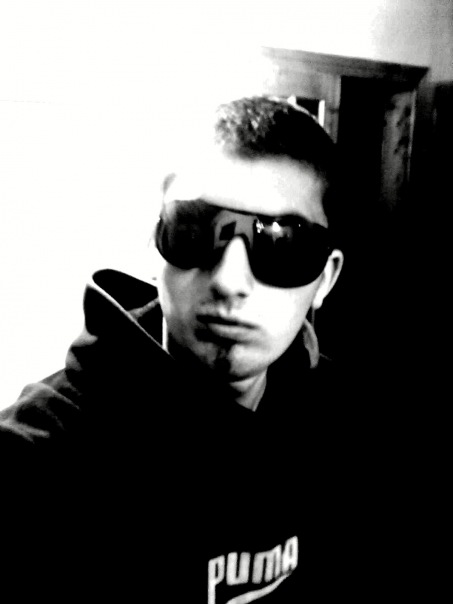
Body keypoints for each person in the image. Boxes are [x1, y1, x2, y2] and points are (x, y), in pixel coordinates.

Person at [1, 95, 374, 601]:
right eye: (195, 230)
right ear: (154, 244)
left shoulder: (348, 423)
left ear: (325, 279)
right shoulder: (37, 464)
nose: (229, 281)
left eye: (281, 243)